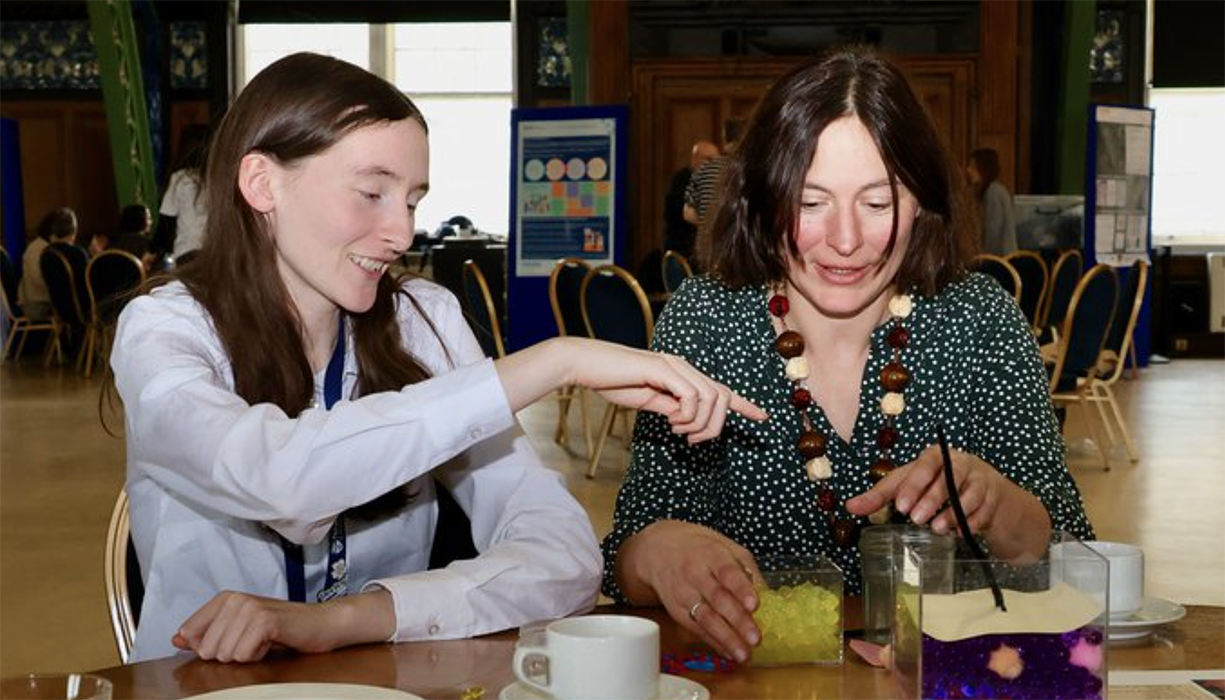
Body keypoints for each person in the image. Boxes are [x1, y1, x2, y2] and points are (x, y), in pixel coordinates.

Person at [110, 52, 765, 664]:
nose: (400, 232)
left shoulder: (421, 320)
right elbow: (281, 481)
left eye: (413, 200)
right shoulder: (164, 331)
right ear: (261, 182)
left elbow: (565, 559)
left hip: (380, 676)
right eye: (371, 193)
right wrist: (553, 362)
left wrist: (348, 619)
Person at [601, 47, 1093, 664]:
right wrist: (662, 550)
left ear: (923, 204)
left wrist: (993, 502)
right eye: (809, 203)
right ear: (761, 201)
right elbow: (630, 551)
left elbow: (1066, 547)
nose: (844, 239)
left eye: (878, 203)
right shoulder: (708, 319)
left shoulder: (978, 319)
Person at [148, 123, 210, 268]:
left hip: (186, 252)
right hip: (214, 252)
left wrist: (151, 251)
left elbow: (166, 221)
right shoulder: (220, 178)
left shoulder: (180, 179)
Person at [683, 119, 744, 231]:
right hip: (737, 243)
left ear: (724, 139)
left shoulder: (704, 168)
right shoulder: (750, 169)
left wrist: (710, 222)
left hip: (707, 242)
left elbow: (688, 213)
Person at [18, 207, 77, 321]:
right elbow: (42, 283)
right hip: (38, 305)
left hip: (45, 300)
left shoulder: (48, 248)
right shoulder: (38, 249)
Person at [663, 140, 719, 258]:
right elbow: (686, 214)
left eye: (717, 160)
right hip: (682, 251)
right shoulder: (682, 180)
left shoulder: (714, 181)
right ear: (695, 159)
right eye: (709, 159)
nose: (714, 165)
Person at [967, 147, 1017, 255]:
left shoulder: (993, 191)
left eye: (973, 167)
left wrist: (983, 259)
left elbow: (993, 234)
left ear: (983, 169)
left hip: (1000, 261)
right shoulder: (990, 191)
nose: (968, 170)